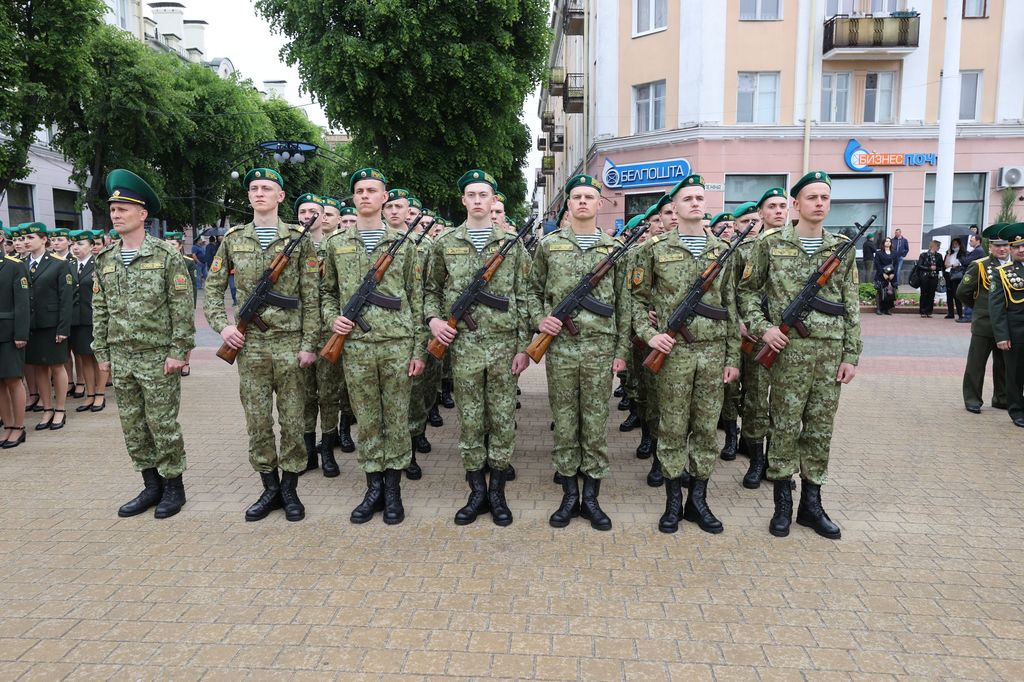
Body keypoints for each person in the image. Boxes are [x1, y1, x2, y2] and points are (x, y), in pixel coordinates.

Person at [739, 171, 861, 540]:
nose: (819, 203)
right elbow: (747, 292)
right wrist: (764, 328)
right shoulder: (770, 244)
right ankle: (782, 505)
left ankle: (812, 505)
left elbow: (851, 304)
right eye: (812, 197)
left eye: (825, 197)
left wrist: (851, 354)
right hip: (788, 353)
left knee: (820, 430)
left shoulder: (842, 248)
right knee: (785, 426)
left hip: (829, 354)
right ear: (796, 204)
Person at [204, 168, 319, 523]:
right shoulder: (233, 238)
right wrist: (224, 327)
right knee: (257, 420)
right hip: (250, 345)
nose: (259, 193)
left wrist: (309, 344)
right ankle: (269, 488)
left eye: (266, 188)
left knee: (293, 420)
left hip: (289, 343)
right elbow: (212, 289)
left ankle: (290, 489)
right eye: (254, 188)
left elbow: (311, 296)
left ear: (280, 196)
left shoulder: (298, 238)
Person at [631, 174, 738, 534]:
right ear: (674, 208)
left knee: (706, 429)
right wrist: (650, 336)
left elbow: (732, 307)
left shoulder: (724, 251)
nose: (695, 203)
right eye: (687, 198)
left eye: (699, 198)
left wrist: (732, 358)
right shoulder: (654, 249)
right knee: (672, 427)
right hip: (673, 354)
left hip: (713, 353)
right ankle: (673, 501)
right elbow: (636, 300)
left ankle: (699, 501)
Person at [320, 168, 426, 525]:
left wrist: (418, 350)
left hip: (397, 345)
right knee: (366, 420)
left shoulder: (404, 244)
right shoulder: (336, 243)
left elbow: (416, 299)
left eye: (372, 190)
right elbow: (325, 293)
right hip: (355, 346)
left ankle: (393, 492)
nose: (365, 196)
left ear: (384, 197)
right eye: (359, 191)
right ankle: (372, 489)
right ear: (354, 198)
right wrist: (332, 319)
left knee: (396, 419)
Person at [426, 169, 531, 526]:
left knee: (502, 419)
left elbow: (524, 295)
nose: (477, 201)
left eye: (483, 195)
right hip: (464, 346)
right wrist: (434, 321)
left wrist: (524, 347)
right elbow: (431, 290)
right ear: (463, 201)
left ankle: (497, 492)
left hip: (503, 346)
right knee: (470, 420)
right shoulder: (445, 243)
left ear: (493, 200)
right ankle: (476, 492)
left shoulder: (511, 244)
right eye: (471, 195)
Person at [93, 169, 195, 518]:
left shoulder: (165, 255)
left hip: (157, 356)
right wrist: (102, 351)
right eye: (113, 209)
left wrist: (178, 351)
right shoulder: (105, 259)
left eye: (123, 209)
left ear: (142, 214)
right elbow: (100, 308)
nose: (116, 214)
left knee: (162, 424)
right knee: (133, 426)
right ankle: (151, 485)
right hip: (121, 357)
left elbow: (182, 307)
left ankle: (174, 487)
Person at [530, 173, 629, 531]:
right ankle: (569, 495)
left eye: (589, 197)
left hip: (600, 350)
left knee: (596, 424)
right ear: (568, 204)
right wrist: (540, 319)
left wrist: (622, 351)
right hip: (561, 349)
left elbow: (624, 303)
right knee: (565, 423)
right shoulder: (549, 246)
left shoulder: (615, 250)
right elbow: (532, 290)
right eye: (577, 197)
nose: (583, 202)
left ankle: (592, 498)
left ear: (600, 204)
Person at [735, 187, 788, 485]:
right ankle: (756, 461)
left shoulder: (800, 246)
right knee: (755, 399)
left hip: (790, 337)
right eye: (772, 206)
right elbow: (734, 292)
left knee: (784, 403)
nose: (778, 211)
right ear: (761, 213)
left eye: (782, 205)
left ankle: (776, 462)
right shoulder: (745, 249)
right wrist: (742, 322)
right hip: (757, 336)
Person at [292, 193, 338, 476]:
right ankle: (308, 452)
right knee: (304, 394)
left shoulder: (335, 246)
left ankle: (328, 450)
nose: (308, 216)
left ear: (323, 216)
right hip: (299, 331)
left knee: (329, 394)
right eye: (303, 211)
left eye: (313, 211)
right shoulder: (292, 245)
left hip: (329, 332)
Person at [21, 223, 73, 430]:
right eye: (24, 238)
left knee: (57, 366)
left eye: (30, 237)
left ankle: (60, 409)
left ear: (44, 240)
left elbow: (66, 299)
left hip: (52, 324)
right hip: (31, 325)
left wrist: (63, 328)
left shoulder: (59, 264)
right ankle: (47, 408)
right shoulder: (21, 264)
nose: (26, 242)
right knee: (39, 368)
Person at [958, 224, 1011, 413]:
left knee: (1004, 364)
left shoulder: (1015, 266)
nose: (1002, 249)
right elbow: (963, 292)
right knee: (977, 363)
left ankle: (1001, 398)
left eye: (1005, 245)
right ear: (990, 247)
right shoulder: (980, 265)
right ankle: (972, 399)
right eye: (998, 245)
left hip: (1007, 325)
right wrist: (980, 309)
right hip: (985, 323)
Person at [990, 223, 1024, 428]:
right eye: (1017, 246)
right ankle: (1017, 411)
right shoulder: (1002, 273)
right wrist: (1002, 336)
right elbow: (996, 307)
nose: (1021, 250)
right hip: (1016, 332)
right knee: (1015, 374)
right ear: (1011, 249)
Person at [0, 226, 30, 448]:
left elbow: (22, 303)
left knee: (12, 379)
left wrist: (21, 333)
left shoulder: (13, 266)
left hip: (8, 332)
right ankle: (7, 425)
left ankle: (18, 427)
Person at [68, 231, 103, 412]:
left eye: (80, 244)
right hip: (77, 320)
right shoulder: (69, 265)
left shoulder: (99, 264)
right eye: (73, 244)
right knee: (84, 358)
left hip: (95, 319)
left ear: (91, 246)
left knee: (99, 357)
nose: (76, 247)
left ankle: (100, 394)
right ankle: (90, 394)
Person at [961, 234, 986, 323]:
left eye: (972, 240)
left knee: (968, 293)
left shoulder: (978, 251)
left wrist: (961, 255)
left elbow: (966, 261)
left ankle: (968, 315)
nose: (970, 242)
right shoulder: (978, 250)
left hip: (973, 277)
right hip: (976, 276)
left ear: (978, 241)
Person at [917, 240, 944, 318]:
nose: (939, 248)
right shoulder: (924, 255)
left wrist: (936, 268)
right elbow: (919, 265)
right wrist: (929, 268)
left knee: (931, 294)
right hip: (925, 276)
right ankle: (922, 311)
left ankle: (929, 311)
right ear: (933, 246)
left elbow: (941, 266)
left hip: (934, 276)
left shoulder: (939, 256)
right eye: (938, 246)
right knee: (924, 293)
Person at [944, 238, 966, 320]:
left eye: (956, 243)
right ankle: (950, 313)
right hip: (948, 274)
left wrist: (952, 265)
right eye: (953, 244)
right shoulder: (949, 253)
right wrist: (948, 254)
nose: (954, 245)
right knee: (949, 294)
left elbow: (961, 264)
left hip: (956, 275)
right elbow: (946, 264)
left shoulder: (963, 253)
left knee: (956, 295)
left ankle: (960, 314)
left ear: (959, 244)